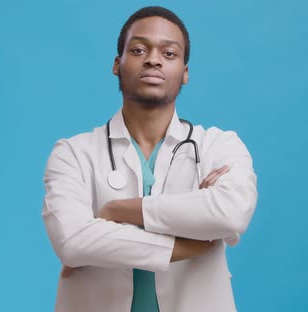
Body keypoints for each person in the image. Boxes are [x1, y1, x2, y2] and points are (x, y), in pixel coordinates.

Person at [42, 6, 258, 312]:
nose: (153, 59)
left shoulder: (217, 146)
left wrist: (120, 211)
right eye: (139, 49)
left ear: (185, 72)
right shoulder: (74, 153)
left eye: (169, 54)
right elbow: (73, 241)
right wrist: (184, 245)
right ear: (117, 64)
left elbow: (231, 212)